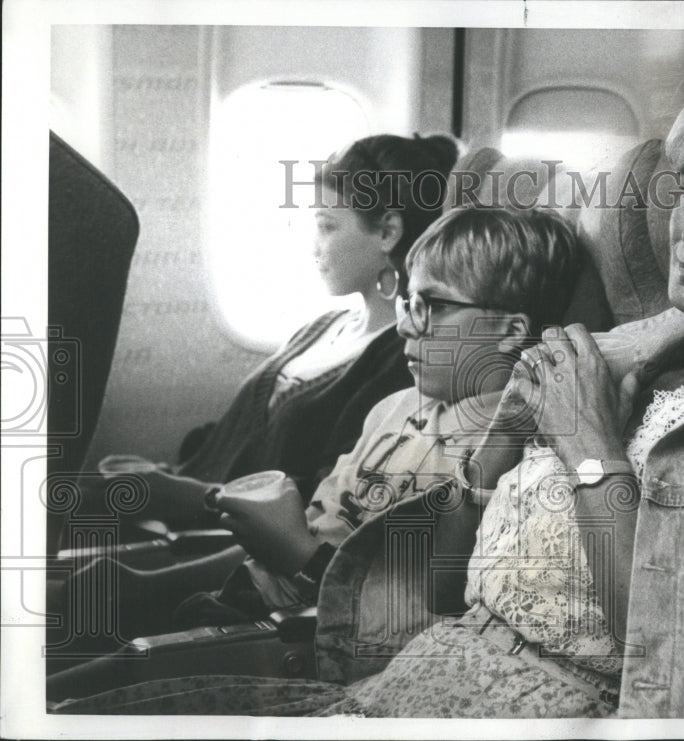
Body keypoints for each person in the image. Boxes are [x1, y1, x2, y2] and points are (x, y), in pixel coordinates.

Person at [56, 45, 684, 719]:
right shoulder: (624, 355)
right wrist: (491, 465)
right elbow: (442, 588)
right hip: (396, 678)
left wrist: (595, 455)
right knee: (70, 693)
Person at [49, 204, 585, 706]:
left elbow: (414, 614)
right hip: (251, 595)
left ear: (511, 330)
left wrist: (295, 557)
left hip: (311, 640)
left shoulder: (506, 456)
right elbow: (325, 517)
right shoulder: (394, 408)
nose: (405, 324)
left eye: (436, 306)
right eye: (408, 302)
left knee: (81, 695)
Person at [49, 133, 458, 650]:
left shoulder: (398, 362)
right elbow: (247, 427)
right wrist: (165, 477)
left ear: (388, 232)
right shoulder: (327, 325)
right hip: (196, 503)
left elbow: (324, 491)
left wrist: (192, 495)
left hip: (231, 540)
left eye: (327, 227)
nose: (313, 244)